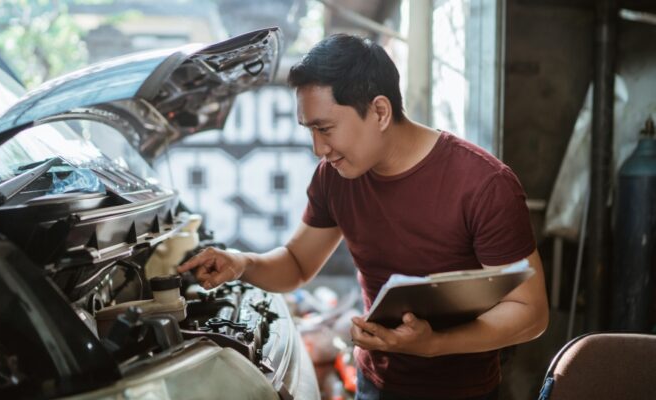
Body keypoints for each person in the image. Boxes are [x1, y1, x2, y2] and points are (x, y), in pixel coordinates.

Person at [178, 34, 549, 400]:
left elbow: (529, 311)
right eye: (310, 131)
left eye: (325, 129)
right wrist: (241, 262)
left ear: (380, 112)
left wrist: (435, 344)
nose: (317, 149)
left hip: (465, 393)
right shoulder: (335, 178)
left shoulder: (484, 184)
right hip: (374, 385)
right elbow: (295, 263)